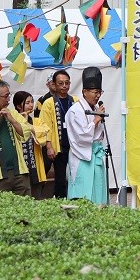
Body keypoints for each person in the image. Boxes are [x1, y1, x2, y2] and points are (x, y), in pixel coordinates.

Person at [65, 67, 108, 204]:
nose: (98, 96)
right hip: (83, 156)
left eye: (99, 92)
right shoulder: (75, 110)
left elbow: (99, 135)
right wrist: (96, 120)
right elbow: (80, 136)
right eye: (95, 92)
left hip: (96, 155)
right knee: (84, 194)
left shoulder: (95, 109)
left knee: (98, 190)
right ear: (84, 92)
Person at [35, 70, 79, 198]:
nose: (64, 86)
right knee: (60, 178)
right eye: (61, 83)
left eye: (67, 83)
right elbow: (45, 126)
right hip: (58, 146)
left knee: (74, 176)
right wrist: (49, 146)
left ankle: (75, 199)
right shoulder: (48, 103)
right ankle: (60, 201)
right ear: (54, 84)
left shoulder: (75, 100)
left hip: (74, 146)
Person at [30, 76, 57, 196]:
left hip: (59, 139)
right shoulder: (42, 100)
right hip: (47, 139)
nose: (54, 85)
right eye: (52, 83)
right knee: (44, 167)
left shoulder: (64, 98)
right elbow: (37, 121)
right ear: (48, 84)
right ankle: (39, 193)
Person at [12, 91, 40, 195]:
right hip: (19, 162)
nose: (31, 105)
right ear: (19, 106)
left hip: (32, 161)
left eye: (32, 102)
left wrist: (27, 122)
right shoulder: (13, 119)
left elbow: (41, 136)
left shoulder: (34, 120)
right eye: (27, 103)